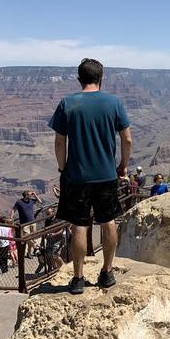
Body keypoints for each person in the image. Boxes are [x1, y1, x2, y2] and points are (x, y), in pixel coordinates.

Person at [49, 58, 132, 295]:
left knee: (79, 225)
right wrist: (122, 166)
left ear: (79, 78)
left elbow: (59, 141)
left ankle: (78, 278)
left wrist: (63, 168)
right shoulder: (114, 102)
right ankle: (107, 272)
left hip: (76, 177)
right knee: (108, 221)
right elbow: (127, 139)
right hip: (106, 175)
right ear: (101, 78)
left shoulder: (68, 103)